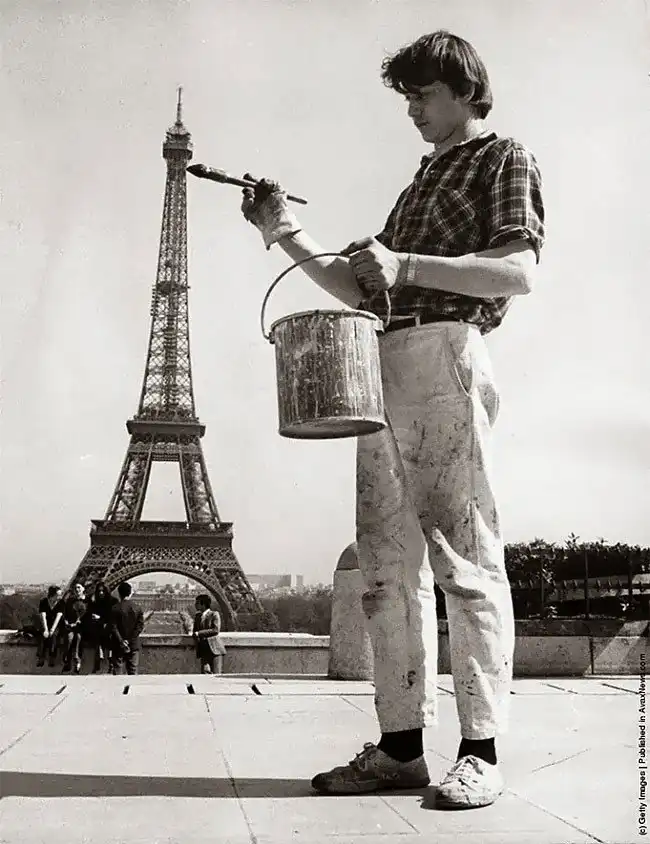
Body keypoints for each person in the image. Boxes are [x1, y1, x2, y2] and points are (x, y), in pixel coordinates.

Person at [241, 30, 544, 808]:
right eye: (406, 96)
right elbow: (359, 290)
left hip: (446, 351)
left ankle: (481, 752)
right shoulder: (418, 187)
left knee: (465, 561)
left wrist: (403, 264)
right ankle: (402, 747)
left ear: (466, 89)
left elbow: (516, 270)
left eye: (424, 94)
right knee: (385, 571)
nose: (412, 108)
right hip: (379, 361)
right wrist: (283, 228)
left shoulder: (502, 157)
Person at [110, 581, 144, 675]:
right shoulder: (137, 608)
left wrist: (121, 641)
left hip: (118, 645)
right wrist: (129, 640)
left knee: (118, 673)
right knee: (133, 672)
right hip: (133, 644)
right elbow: (140, 627)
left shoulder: (114, 608)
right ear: (130, 593)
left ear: (119, 593)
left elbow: (113, 627)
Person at [87, 582, 117, 674]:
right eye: (99, 591)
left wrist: (100, 618)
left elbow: (113, 617)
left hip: (108, 627)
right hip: (99, 627)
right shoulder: (94, 602)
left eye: (103, 591)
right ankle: (104, 659)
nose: (101, 593)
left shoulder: (113, 601)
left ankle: (105, 660)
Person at [192, 594, 224, 674]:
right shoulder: (197, 616)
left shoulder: (214, 614)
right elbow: (194, 631)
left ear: (203, 604)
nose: (195, 605)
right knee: (204, 675)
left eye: (197, 603)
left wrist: (199, 633)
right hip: (203, 650)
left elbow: (216, 630)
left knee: (216, 675)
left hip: (215, 649)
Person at [61, 582, 88, 674]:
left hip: (83, 626)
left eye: (79, 587)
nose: (77, 589)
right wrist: (67, 622)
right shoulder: (70, 601)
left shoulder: (87, 601)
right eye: (75, 588)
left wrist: (77, 622)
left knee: (78, 637)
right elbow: (65, 614)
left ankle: (77, 660)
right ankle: (68, 661)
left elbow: (87, 614)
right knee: (69, 637)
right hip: (71, 626)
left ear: (83, 588)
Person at [36, 585, 64, 668]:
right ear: (52, 595)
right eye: (58, 595)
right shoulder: (44, 602)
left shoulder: (61, 603)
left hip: (57, 624)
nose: (60, 597)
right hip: (46, 623)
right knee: (42, 635)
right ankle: (41, 657)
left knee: (54, 635)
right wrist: (46, 629)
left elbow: (58, 617)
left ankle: (52, 657)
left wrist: (51, 630)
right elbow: (43, 616)